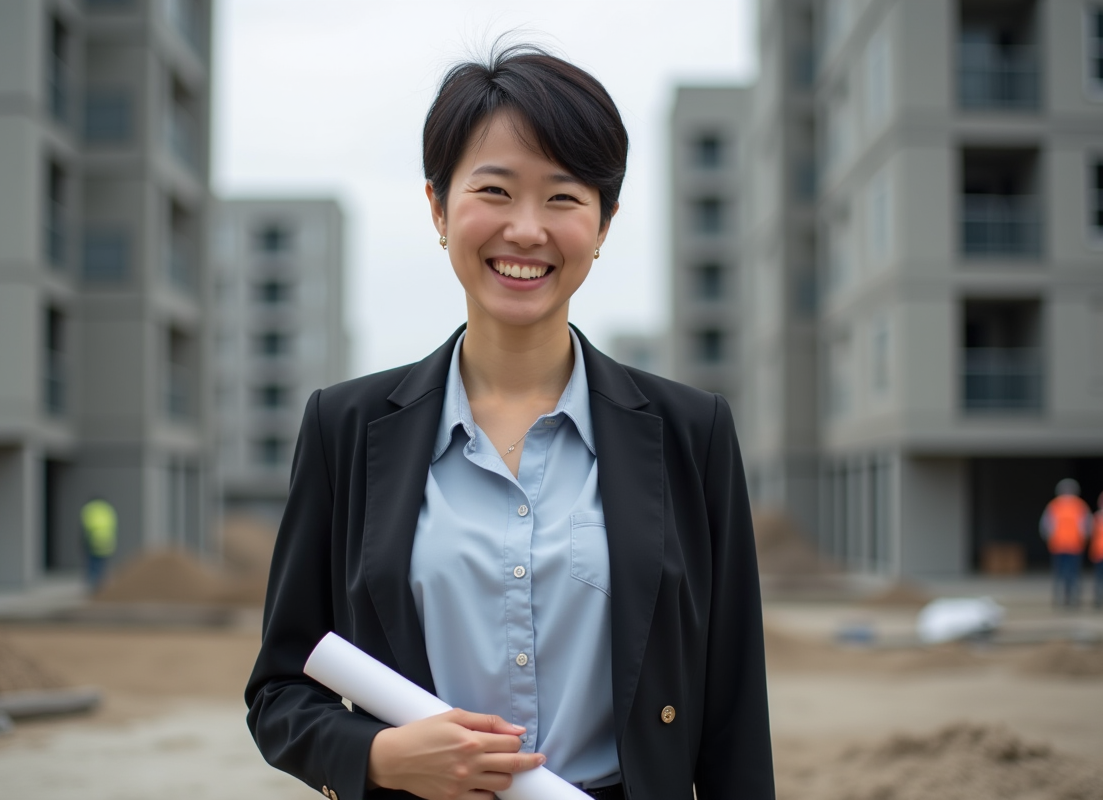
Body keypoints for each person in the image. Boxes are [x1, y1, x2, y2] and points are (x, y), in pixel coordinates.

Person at [245, 44, 773, 800]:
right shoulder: (345, 429)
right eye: (494, 190)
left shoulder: (693, 433)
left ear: (603, 222)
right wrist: (382, 757)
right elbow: (278, 691)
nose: (526, 230)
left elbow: (733, 720)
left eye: (563, 197)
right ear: (437, 206)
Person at [1040, 479, 1092, 608]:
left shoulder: (1059, 505)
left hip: (1065, 546)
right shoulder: (1076, 505)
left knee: (1064, 574)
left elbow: (1046, 526)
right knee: (1068, 574)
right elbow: (1087, 527)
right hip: (1068, 546)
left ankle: (1066, 599)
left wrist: (1050, 539)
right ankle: (1067, 600)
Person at [80, 496, 118, 593]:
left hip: (93, 541)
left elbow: (85, 526)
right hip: (107, 541)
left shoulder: (89, 508)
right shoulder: (107, 508)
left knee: (93, 564)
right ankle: (102, 586)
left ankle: (93, 586)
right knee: (102, 565)